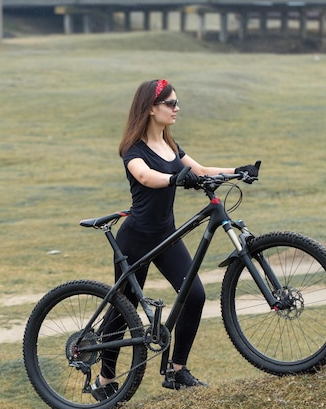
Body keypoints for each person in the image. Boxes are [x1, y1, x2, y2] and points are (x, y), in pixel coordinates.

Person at [90, 79, 259, 401]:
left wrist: (237, 171)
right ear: (151, 109)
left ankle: (177, 371)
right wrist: (174, 178)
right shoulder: (133, 149)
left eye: (176, 102)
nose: (176, 108)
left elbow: (202, 169)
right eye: (170, 103)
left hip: (166, 235)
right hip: (136, 238)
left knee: (194, 296)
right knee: (123, 311)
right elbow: (144, 176)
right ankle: (105, 379)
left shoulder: (170, 145)